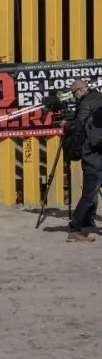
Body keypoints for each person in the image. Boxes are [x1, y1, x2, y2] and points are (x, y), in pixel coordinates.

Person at [65, 78, 102, 241]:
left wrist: (67, 125)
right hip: (94, 158)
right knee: (89, 194)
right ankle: (75, 228)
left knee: (89, 194)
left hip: (94, 157)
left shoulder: (90, 106)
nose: (75, 97)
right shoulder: (96, 108)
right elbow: (95, 139)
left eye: (74, 94)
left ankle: (81, 225)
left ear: (80, 91)